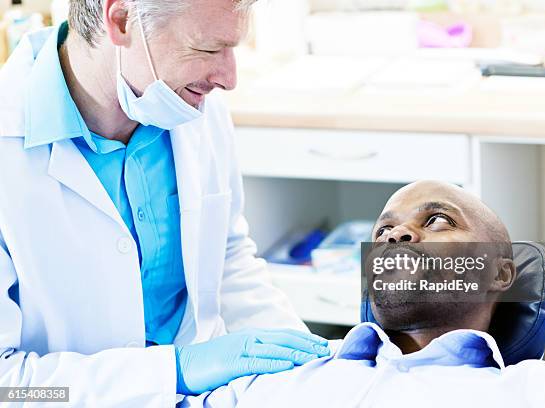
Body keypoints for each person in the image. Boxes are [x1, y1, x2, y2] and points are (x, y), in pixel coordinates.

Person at [0, 0, 329, 404]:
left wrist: (303, 365)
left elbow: (225, 258)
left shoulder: (187, 106)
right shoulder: (8, 146)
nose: (228, 78)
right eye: (209, 49)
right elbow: (7, 384)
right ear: (120, 20)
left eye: (232, 48)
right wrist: (174, 371)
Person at [182, 180, 545, 408]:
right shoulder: (279, 374)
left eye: (439, 221)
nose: (397, 235)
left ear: (501, 274)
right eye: (383, 230)